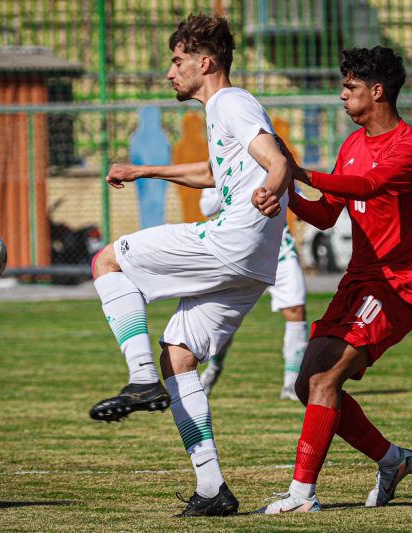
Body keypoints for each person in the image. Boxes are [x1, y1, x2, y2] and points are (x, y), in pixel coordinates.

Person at [88, 13, 291, 516]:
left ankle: (139, 379)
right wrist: (144, 170)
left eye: (178, 61)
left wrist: (273, 185)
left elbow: (276, 158)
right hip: (254, 264)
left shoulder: (229, 101)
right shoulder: (229, 108)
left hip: (231, 241)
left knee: (107, 260)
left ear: (206, 63)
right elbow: (216, 172)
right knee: (178, 357)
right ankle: (212, 490)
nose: (170, 72)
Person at [252, 46, 412, 513]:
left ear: (377, 91)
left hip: (397, 284)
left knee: (326, 377)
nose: (342, 95)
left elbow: (368, 187)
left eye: (350, 87)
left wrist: (299, 172)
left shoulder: (409, 147)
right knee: (307, 383)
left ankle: (301, 495)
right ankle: (392, 460)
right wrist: (285, 192)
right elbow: (325, 215)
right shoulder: (352, 145)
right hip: (360, 279)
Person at [198, 186, 307, 401]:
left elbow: (295, 192)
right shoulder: (221, 167)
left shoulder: (275, 166)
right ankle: (214, 368)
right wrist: (237, 186)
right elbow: (207, 207)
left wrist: (300, 206)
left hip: (280, 250)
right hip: (240, 252)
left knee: (296, 310)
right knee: (225, 318)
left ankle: (292, 384)